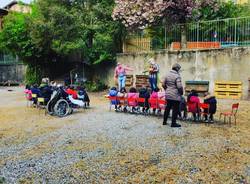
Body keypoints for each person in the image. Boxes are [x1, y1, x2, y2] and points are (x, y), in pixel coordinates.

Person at [162, 63, 183, 127]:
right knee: (175, 109)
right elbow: (179, 86)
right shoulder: (177, 76)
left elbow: (163, 84)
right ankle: (173, 123)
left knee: (167, 108)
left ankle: (164, 121)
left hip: (168, 95)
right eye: (179, 69)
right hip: (175, 95)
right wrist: (181, 92)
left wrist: (167, 89)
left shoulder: (167, 75)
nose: (179, 70)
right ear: (177, 69)